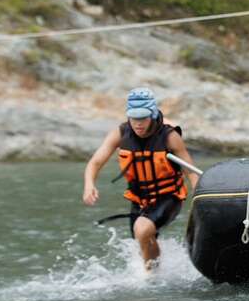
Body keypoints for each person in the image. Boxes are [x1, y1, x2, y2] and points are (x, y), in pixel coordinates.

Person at [82, 87, 199, 273]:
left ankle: (149, 279)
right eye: (133, 118)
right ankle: (157, 275)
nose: (138, 123)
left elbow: (191, 172)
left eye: (143, 118)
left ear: (152, 115)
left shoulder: (170, 137)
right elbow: (94, 163)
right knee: (143, 239)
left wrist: (199, 197)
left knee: (142, 229)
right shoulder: (120, 133)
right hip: (139, 200)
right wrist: (89, 185)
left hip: (168, 196)